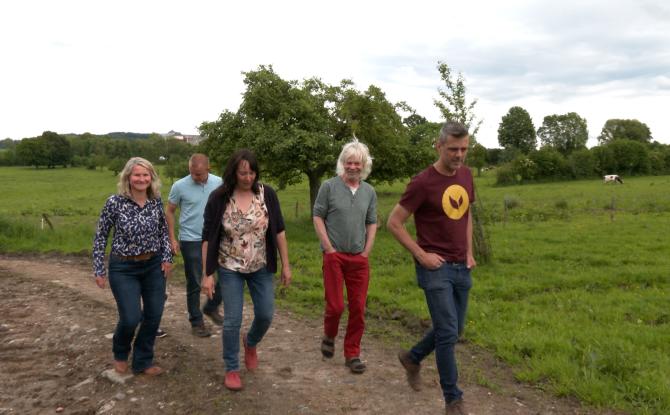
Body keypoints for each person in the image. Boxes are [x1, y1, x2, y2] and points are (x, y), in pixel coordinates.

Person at [387, 121, 476, 415]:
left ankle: (413, 357)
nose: (459, 155)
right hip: (435, 267)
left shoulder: (466, 175)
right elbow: (394, 223)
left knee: (453, 329)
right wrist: (421, 255)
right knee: (448, 331)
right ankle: (453, 400)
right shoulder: (422, 182)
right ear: (439, 146)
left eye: (463, 149)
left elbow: (466, 215)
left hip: (462, 265)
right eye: (453, 149)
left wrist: (470, 253)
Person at [201, 149, 291, 391]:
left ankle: (250, 342)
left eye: (251, 172)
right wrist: (207, 274)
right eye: (243, 173)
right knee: (232, 320)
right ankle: (231, 368)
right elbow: (208, 237)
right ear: (234, 172)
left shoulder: (267, 194)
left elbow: (279, 231)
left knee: (265, 314)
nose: (248, 177)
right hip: (229, 266)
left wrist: (286, 264)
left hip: (260, 266)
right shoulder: (219, 197)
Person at [92, 157, 172, 376]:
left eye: (146, 175)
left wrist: (167, 258)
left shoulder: (155, 200)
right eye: (137, 175)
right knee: (131, 318)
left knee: (154, 315)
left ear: (151, 178)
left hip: (153, 265)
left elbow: (163, 232)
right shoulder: (114, 202)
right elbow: (101, 237)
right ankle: (120, 352)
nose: (141, 179)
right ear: (128, 177)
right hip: (123, 268)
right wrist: (99, 268)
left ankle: (143, 361)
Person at [312, 139, 377, 374]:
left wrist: (367, 251)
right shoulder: (329, 187)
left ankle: (352, 354)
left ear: (364, 166)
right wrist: (328, 248)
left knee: (358, 308)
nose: (353, 167)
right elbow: (317, 216)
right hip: (335, 256)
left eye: (357, 163)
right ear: (342, 164)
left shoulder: (369, 192)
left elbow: (372, 222)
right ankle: (329, 335)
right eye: (349, 162)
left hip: (359, 259)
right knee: (337, 306)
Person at [166, 153, 224, 337]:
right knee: (194, 281)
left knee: (228, 275)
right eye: (192, 173)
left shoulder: (220, 183)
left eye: (198, 174)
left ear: (208, 169)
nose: (194, 177)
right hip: (190, 239)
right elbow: (170, 211)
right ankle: (196, 321)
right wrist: (172, 238)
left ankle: (211, 307)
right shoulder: (179, 186)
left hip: (217, 238)